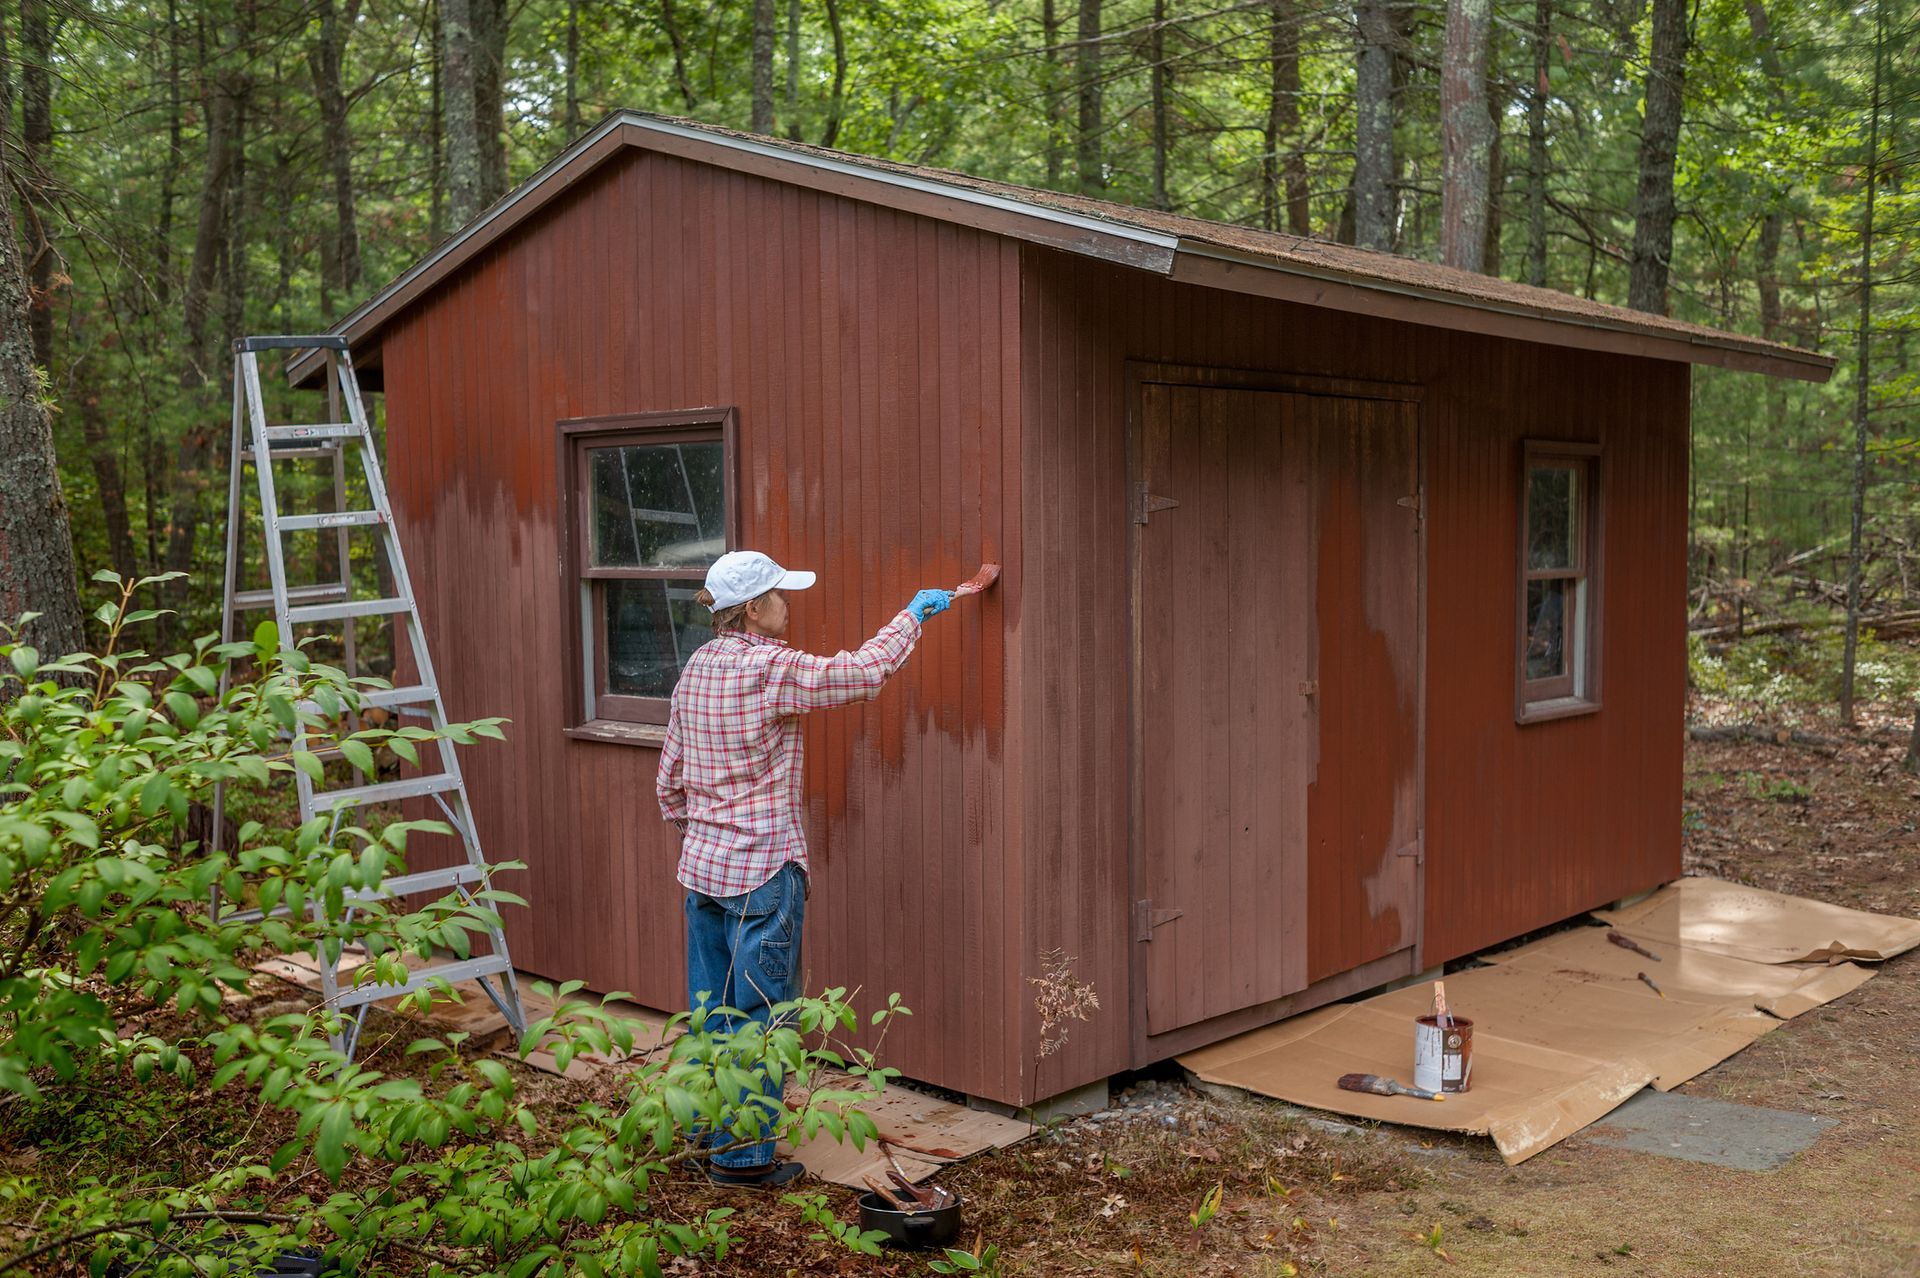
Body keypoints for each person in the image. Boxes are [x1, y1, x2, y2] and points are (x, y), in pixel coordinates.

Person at [655, 549, 953, 1188]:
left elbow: (669, 783)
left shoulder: (695, 669)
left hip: (702, 872)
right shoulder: (771, 668)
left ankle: (706, 1132)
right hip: (763, 869)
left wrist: (705, 834)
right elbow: (864, 674)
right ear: (755, 609)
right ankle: (741, 1160)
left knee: (714, 1014)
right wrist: (911, 616)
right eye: (781, 596)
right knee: (762, 1021)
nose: (790, 605)